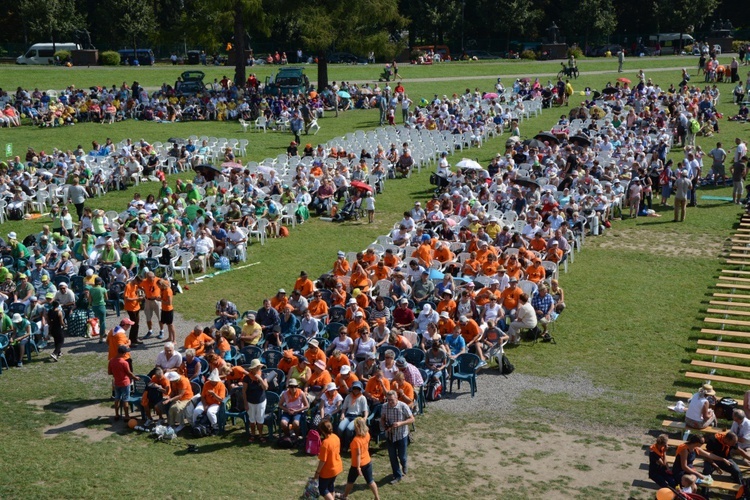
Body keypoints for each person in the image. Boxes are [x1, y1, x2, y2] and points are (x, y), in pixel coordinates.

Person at [342, 417, 381, 500]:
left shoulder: (356, 440)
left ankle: (344, 496)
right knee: (370, 481)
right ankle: (377, 497)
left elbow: (358, 454)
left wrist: (358, 467)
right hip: (368, 461)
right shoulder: (367, 434)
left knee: (350, 481)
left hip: (357, 464)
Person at [380, 390, 414, 484]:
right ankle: (397, 475)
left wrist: (400, 423)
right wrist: (385, 427)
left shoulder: (403, 406)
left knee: (402, 456)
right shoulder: (384, 406)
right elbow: (382, 418)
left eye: (392, 400)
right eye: (388, 400)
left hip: (401, 435)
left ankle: (404, 464)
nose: (390, 402)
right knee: (392, 457)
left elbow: (412, 419)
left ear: (396, 398)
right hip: (390, 435)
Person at [312, 420, 343, 500]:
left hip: (328, 470)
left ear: (322, 430)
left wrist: (317, 472)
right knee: (330, 485)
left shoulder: (325, 443)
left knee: (322, 490)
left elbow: (323, 460)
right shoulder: (335, 437)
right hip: (337, 467)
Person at [108, 345, 137, 421]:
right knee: (125, 399)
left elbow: (109, 372)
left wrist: (116, 373)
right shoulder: (124, 363)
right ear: (123, 353)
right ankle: (126, 416)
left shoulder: (111, 361)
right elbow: (129, 373)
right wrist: (135, 378)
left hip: (116, 383)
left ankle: (117, 414)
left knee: (117, 399)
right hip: (125, 383)